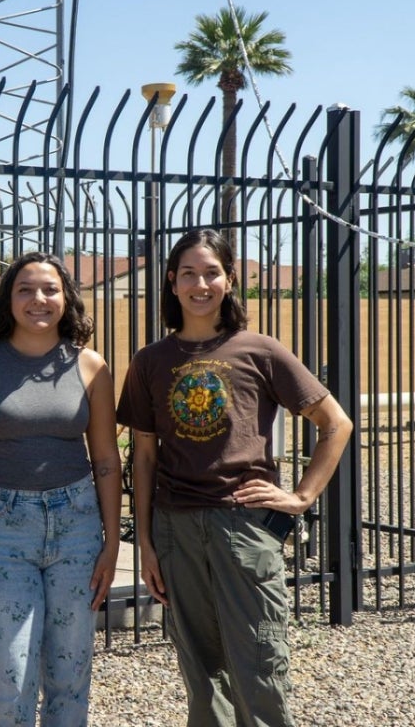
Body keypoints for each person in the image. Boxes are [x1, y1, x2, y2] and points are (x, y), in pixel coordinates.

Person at [115, 229, 353, 727]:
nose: (200, 284)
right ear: (171, 282)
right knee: (200, 673)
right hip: (175, 528)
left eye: (211, 272)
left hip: (243, 526)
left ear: (229, 280)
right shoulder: (150, 361)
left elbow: (336, 423)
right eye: (189, 274)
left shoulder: (260, 350)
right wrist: (145, 543)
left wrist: (303, 496)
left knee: (259, 663)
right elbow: (142, 457)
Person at [0, 251, 123, 727]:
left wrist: (112, 543)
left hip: (77, 525)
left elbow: (106, 459)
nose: (38, 299)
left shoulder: (91, 367)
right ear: (7, 300)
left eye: (50, 289)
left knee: (71, 670)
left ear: (66, 299)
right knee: (8, 672)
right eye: (25, 289)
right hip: (1, 529)